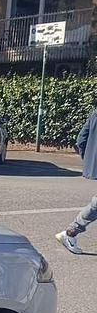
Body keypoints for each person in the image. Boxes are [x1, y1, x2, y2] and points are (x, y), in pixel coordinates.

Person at [56, 99, 97, 254]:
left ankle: (70, 232)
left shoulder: (94, 113)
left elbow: (81, 140)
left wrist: (91, 161)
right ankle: (70, 232)